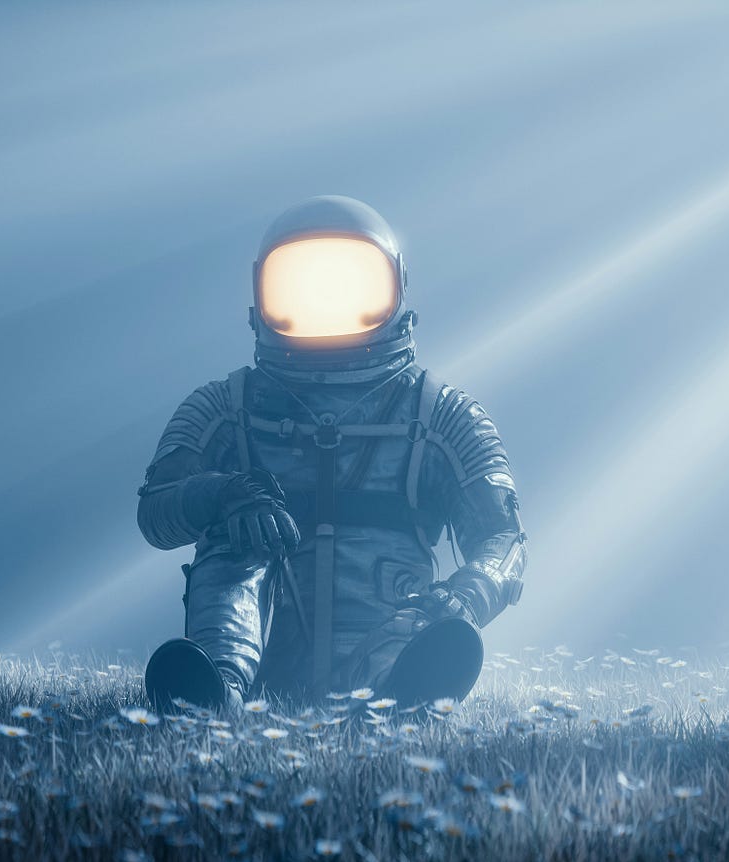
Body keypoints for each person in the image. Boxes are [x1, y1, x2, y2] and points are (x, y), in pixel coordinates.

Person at [135, 196, 526, 711]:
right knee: (239, 545)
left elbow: (502, 537)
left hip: (387, 634)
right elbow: (157, 512)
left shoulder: (439, 415)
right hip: (257, 652)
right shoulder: (226, 409)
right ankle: (218, 690)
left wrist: (463, 596)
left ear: (396, 286)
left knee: (429, 619)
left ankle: (397, 693)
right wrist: (222, 495)